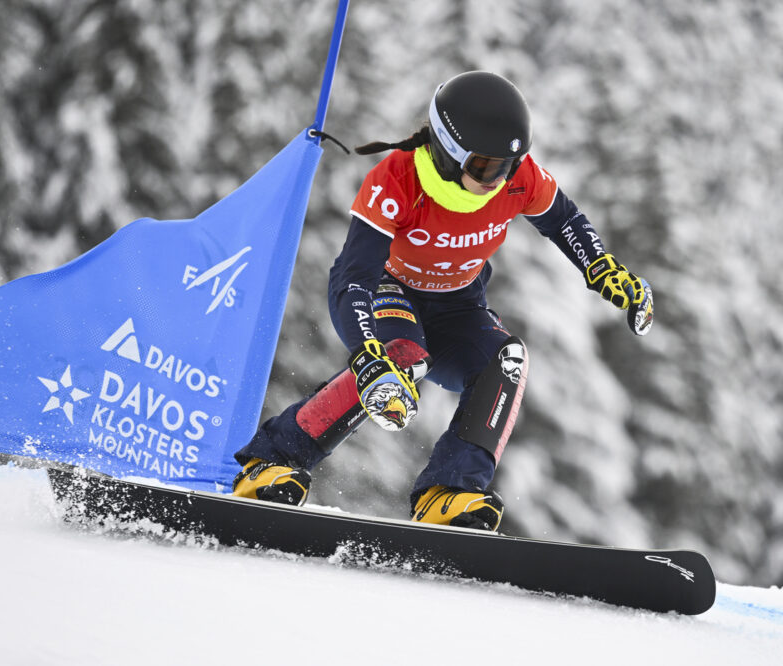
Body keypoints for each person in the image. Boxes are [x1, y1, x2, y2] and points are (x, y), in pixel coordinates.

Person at [231, 71, 653, 531]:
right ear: (450, 156)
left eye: (509, 166)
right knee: (400, 360)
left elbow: (564, 220)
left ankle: (449, 492)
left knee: (506, 359)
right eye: (486, 168)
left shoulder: (517, 179)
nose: (499, 181)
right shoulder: (398, 179)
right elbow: (354, 278)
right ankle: (271, 461)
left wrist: (603, 267)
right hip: (386, 291)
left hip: (459, 304)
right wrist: (367, 349)